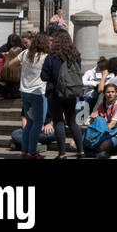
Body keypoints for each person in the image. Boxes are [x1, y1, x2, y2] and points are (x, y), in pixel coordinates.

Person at [41, 30, 85, 159]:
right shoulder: (76, 56)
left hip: (55, 93)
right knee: (72, 122)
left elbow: (44, 76)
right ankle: (81, 151)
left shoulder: (51, 57)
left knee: (59, 122)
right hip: (71, 92)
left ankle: (62, 153)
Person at [18, 31, 51, 159]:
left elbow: (11, 63)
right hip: (38, 93)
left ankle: (24, 151)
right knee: (37, 123)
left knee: (29, 123)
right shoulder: (45, 57)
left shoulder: (25, 53)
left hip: (24, 91)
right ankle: (32, 152)